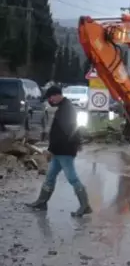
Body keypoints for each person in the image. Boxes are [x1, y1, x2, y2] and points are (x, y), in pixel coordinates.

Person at [25, 85, 92, 217]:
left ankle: (85, 206)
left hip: (64, 151)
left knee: (72, 178)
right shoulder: (64, 107)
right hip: (60, 151)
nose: (50, 100)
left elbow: (64, 134)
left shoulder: (66, 109)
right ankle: (41, 202)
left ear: (56, 95)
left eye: (50, 97)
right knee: (50, 176)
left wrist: (50, 150)